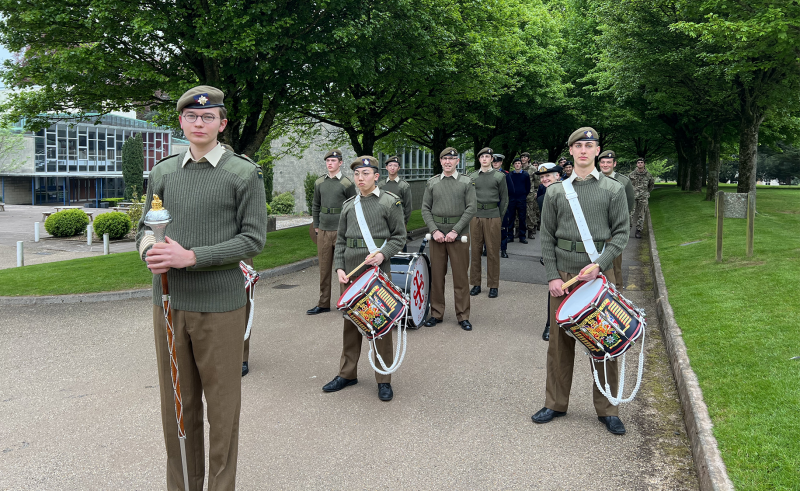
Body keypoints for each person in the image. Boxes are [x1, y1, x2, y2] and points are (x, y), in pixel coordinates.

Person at [136, 85, 268, 490]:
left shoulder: (243, 173)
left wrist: (192, 257)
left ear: (222, 123)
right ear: (181, 121)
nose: (199, 122)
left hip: (220, 305)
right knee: (177, 407)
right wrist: (149, 252)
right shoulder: (162, 172)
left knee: (222, 409)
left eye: (208, 117)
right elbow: (146, 227)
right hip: (169, 302)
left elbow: (252, 240)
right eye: (192, 116)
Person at [532, 126, 630, 436]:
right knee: (559, 345)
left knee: (605, 341)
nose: (584, 150)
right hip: (562, 275)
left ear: (598, 151)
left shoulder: (612, 190)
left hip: (599, 275)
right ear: (571, 152)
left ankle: (608, 408)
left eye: (590, 145)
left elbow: (621, 235)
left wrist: (600, 265)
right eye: (578, 145)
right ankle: (555, 402)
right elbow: (546, 236)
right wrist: (551, 275)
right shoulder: (556, 192)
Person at [323, 156, 407, 402]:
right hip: (350, 273)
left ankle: (384, 378)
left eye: (366, 173)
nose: (360, 178)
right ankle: (347, 373)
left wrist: (383, 254)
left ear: (376, 176)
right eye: (357, 174)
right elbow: (340, 240)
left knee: (379, 324)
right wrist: (339, 266)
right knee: (350, 325)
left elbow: (399, 237)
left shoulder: (390, 203)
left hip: (377, 273)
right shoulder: (349, 205)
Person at [421, 147, 476, 330]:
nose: (448, 162)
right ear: (440, 161)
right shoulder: (432, 183)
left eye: (451, 159)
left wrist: (455, 230)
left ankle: (462, 316)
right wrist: (434, 230)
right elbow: (425, 209)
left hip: (458, 236)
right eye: (444, 159)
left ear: (457, 162)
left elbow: (471, 208)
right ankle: (436, 313)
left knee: (460, 277)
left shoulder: (466, 182)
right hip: (436, 236)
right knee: (436, 276)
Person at [307, 150, 356, 315]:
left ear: (340, 163)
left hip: (341, 231)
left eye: (333, 160)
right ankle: (323, 303)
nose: (330, 163)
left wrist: (350, 228)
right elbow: (315, 204)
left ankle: (345, 303)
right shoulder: (319, 182)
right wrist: (317, 225)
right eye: (328, 160)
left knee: (343, 267)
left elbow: (353, 206)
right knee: (324, 267)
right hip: (323, 230)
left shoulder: (347, 184)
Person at [468, 147, 508, 298]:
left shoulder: (499, 177)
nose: (484, 159)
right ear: (479, 159)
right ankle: (476, 284)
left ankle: (493, 285)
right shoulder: (472, 177)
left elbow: (504, 199)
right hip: (476, 216)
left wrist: (499, 217)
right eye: (482, 156)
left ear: (492, 159)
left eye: (487, 156)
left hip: (493, 216)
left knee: (492, 252)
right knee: (476, 251)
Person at [533, 162, 562, 342]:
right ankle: (550, 324)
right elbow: (546, 230)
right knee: (554, 287)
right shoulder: (542, 198)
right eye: (542, 177)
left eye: (548, 175)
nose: (544, 179)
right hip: (555, 248)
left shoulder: (570, 193)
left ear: (558, 176)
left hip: (573, 247)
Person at [598, 150, 635, 288]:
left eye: (608, 162)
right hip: (595, 229)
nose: (605, 165)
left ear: (614, 163)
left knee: (614, 264)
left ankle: (617, 294)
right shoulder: (593, 179)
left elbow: (630, 204)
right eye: (602, 162)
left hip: (613, 231)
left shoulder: (623, 181)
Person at [378, 155, 413, 252]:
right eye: (390, 165)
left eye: (395, 165)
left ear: (399, 168)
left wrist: (404, 222)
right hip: (383, 221)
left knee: (399, 246)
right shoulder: (381, 185)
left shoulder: (404, 185)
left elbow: (408, 206)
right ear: (386, 167)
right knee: (383, 247)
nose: (392, 168)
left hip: (399, 220)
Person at [506, 157, 531, 244]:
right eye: (516, 163)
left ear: (521, 165)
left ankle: (522, 236)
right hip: (512, 198)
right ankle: (510, 236)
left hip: (522, 198)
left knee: (522, 218)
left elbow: (528, 187)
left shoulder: (525, 175)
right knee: (511, 218)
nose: (517, 165)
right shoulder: (510, 175)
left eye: (519, 163)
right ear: (513, 165)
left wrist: (523, 195)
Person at [628, 157, 655, 239]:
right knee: (630, 214)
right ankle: (628, 230)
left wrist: (646, 193)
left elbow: (651, 186)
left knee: (641, 214)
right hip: (633, 197)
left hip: (643, 197)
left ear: (644, 164)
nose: (640, 164)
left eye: (641, 162)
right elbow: (627, 185)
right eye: (638, 162)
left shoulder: (648, 175)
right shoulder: (631, 175)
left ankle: (638, 231)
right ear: (636, 164)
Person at [521, 153, 540, 238]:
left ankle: (531, 230)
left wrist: (535, 191)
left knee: (530, 212)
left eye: (525, 157)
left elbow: (537, 182)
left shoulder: (533, 169)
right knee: (519, 212)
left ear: (528, 159)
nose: (523, 159)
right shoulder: (519, 167)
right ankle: (519, 230)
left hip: (530, 193)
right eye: (522, 157)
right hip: (520, 193)